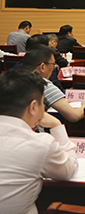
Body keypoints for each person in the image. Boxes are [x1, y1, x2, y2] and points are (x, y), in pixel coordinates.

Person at [0, 68, 78, 214]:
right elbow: (69, 170)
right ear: (33, 107)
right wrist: (57, 125)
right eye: (43, 104)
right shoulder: (41, 144)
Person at [22, 45, 85, 122]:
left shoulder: (15, 79)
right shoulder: (41, 83)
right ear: (42, 67)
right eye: (53, 65)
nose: (54, 68)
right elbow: (74, 116)